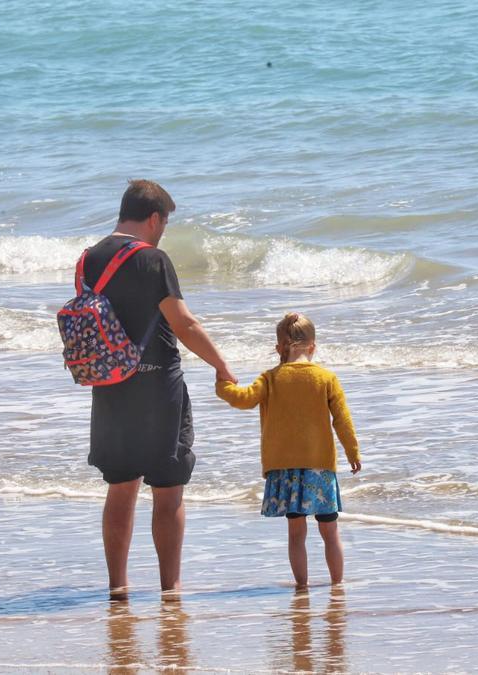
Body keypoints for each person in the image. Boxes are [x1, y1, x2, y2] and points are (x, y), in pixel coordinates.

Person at [82, 180, 236, 598]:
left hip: (110, 385)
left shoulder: (88, 259)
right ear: (154, 218)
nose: (163, 231)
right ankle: (170, 587)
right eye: (164, 223)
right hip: (157, 388)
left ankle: (118, 586)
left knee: (120, 487)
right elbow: (183, 323)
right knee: (167, 490)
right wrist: (221, 365)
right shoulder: (153, 259)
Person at [215, 313, 361, 588]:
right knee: (330, 531)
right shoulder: (326, 378)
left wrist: (223, 383)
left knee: (296, 533)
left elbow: (242, 399)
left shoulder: (270, 379)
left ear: (280, 346)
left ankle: (302, 587)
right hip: (320, 467)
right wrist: (352, 452)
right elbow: (342, 419)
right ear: (313, 346)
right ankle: (337, 586)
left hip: (285, 469)